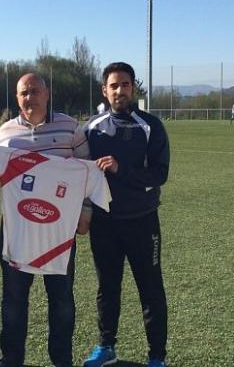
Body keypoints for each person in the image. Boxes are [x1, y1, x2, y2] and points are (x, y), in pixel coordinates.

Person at [0, 73, 90, 367]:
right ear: (17, 98)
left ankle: (61, 359)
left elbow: (88, 172)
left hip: (59, 231)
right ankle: (11, 359)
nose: (30, 97)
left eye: (35, 91)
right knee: (13, 301)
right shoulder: (5, 133)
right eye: (24, 93)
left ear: (47, 93)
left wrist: (86, 212)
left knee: (62, 300)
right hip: (17, 230)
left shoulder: (71, 128)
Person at [82, 62, 170, 367]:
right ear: (104, 90)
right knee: (107, 287)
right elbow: (74, 169)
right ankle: (107, 347)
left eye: (126, 85)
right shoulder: (91, 128)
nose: (120, 90)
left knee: (150, 288)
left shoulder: (151, 126)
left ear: (134, 88)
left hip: (143, 221)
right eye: (114, 85)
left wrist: (121, 170)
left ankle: (157, 356)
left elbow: (159, 174)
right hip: (104, 223)